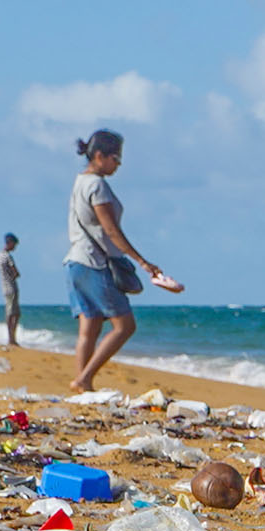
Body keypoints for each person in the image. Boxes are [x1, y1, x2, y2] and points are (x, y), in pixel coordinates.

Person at [61, 129, 184, 394]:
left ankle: (83, 384)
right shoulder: (97, 185)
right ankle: (84, 379)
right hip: (95, 263)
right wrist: (142, 261)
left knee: (90, 326)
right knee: (125, 325)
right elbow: (111, 230)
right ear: (99, 156)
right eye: (115, 158)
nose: (118, 165)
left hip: (76, 262)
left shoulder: (80, 182)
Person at [0, 232, 23, 346]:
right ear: (10, 243)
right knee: (14, 313)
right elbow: (15, 272)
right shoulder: (7, 256)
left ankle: (11, 337)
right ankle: (12, 338)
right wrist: (15, 274)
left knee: (10, 312)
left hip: (4, 286)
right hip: (11, 286)